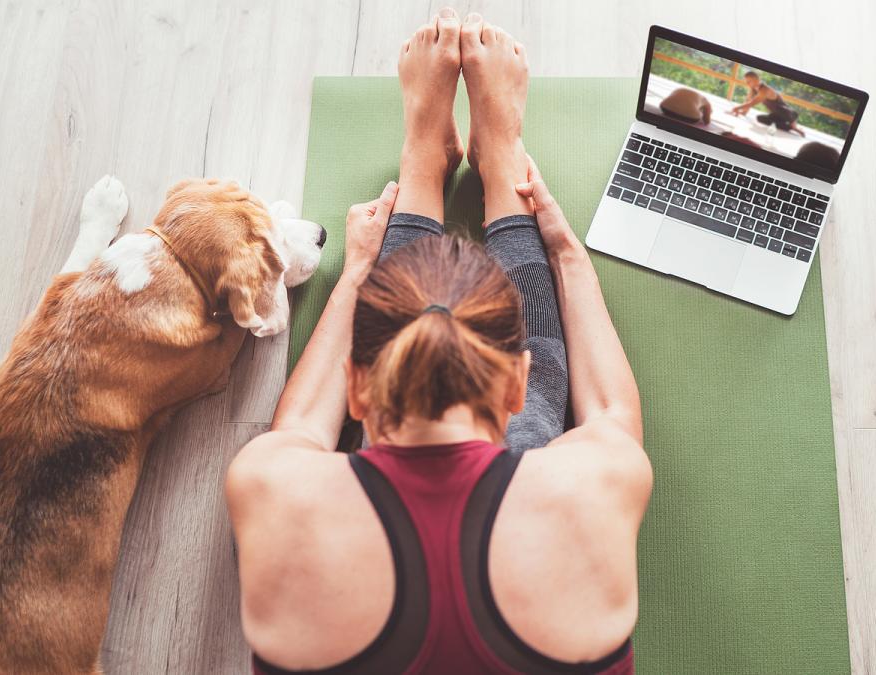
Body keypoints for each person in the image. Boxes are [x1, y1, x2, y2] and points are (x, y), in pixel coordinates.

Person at [225, 8, 651, 675]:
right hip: (511, 449)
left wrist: (359, 269)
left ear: (357, 386)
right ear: (515, 381)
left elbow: (304, 428)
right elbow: (613, 420)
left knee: (448, 374)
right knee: (534, 429)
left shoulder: (270, 488)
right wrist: (566, 253)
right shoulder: (590, 487)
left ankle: (424, 163)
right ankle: (500, 163)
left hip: (383, 451)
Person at [731, 71, 805, 136]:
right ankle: (790, 127)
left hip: (787, 114)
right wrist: (743, 113)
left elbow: (751, 103)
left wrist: (736, 108)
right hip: (777, 115)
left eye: (749, 81)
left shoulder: (764, 90)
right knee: (760, 118)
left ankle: (793, 126)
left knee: (780, 109)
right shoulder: (753, 89)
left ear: (756, 79)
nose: (747, 84)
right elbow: (748, 101)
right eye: (746, 82)